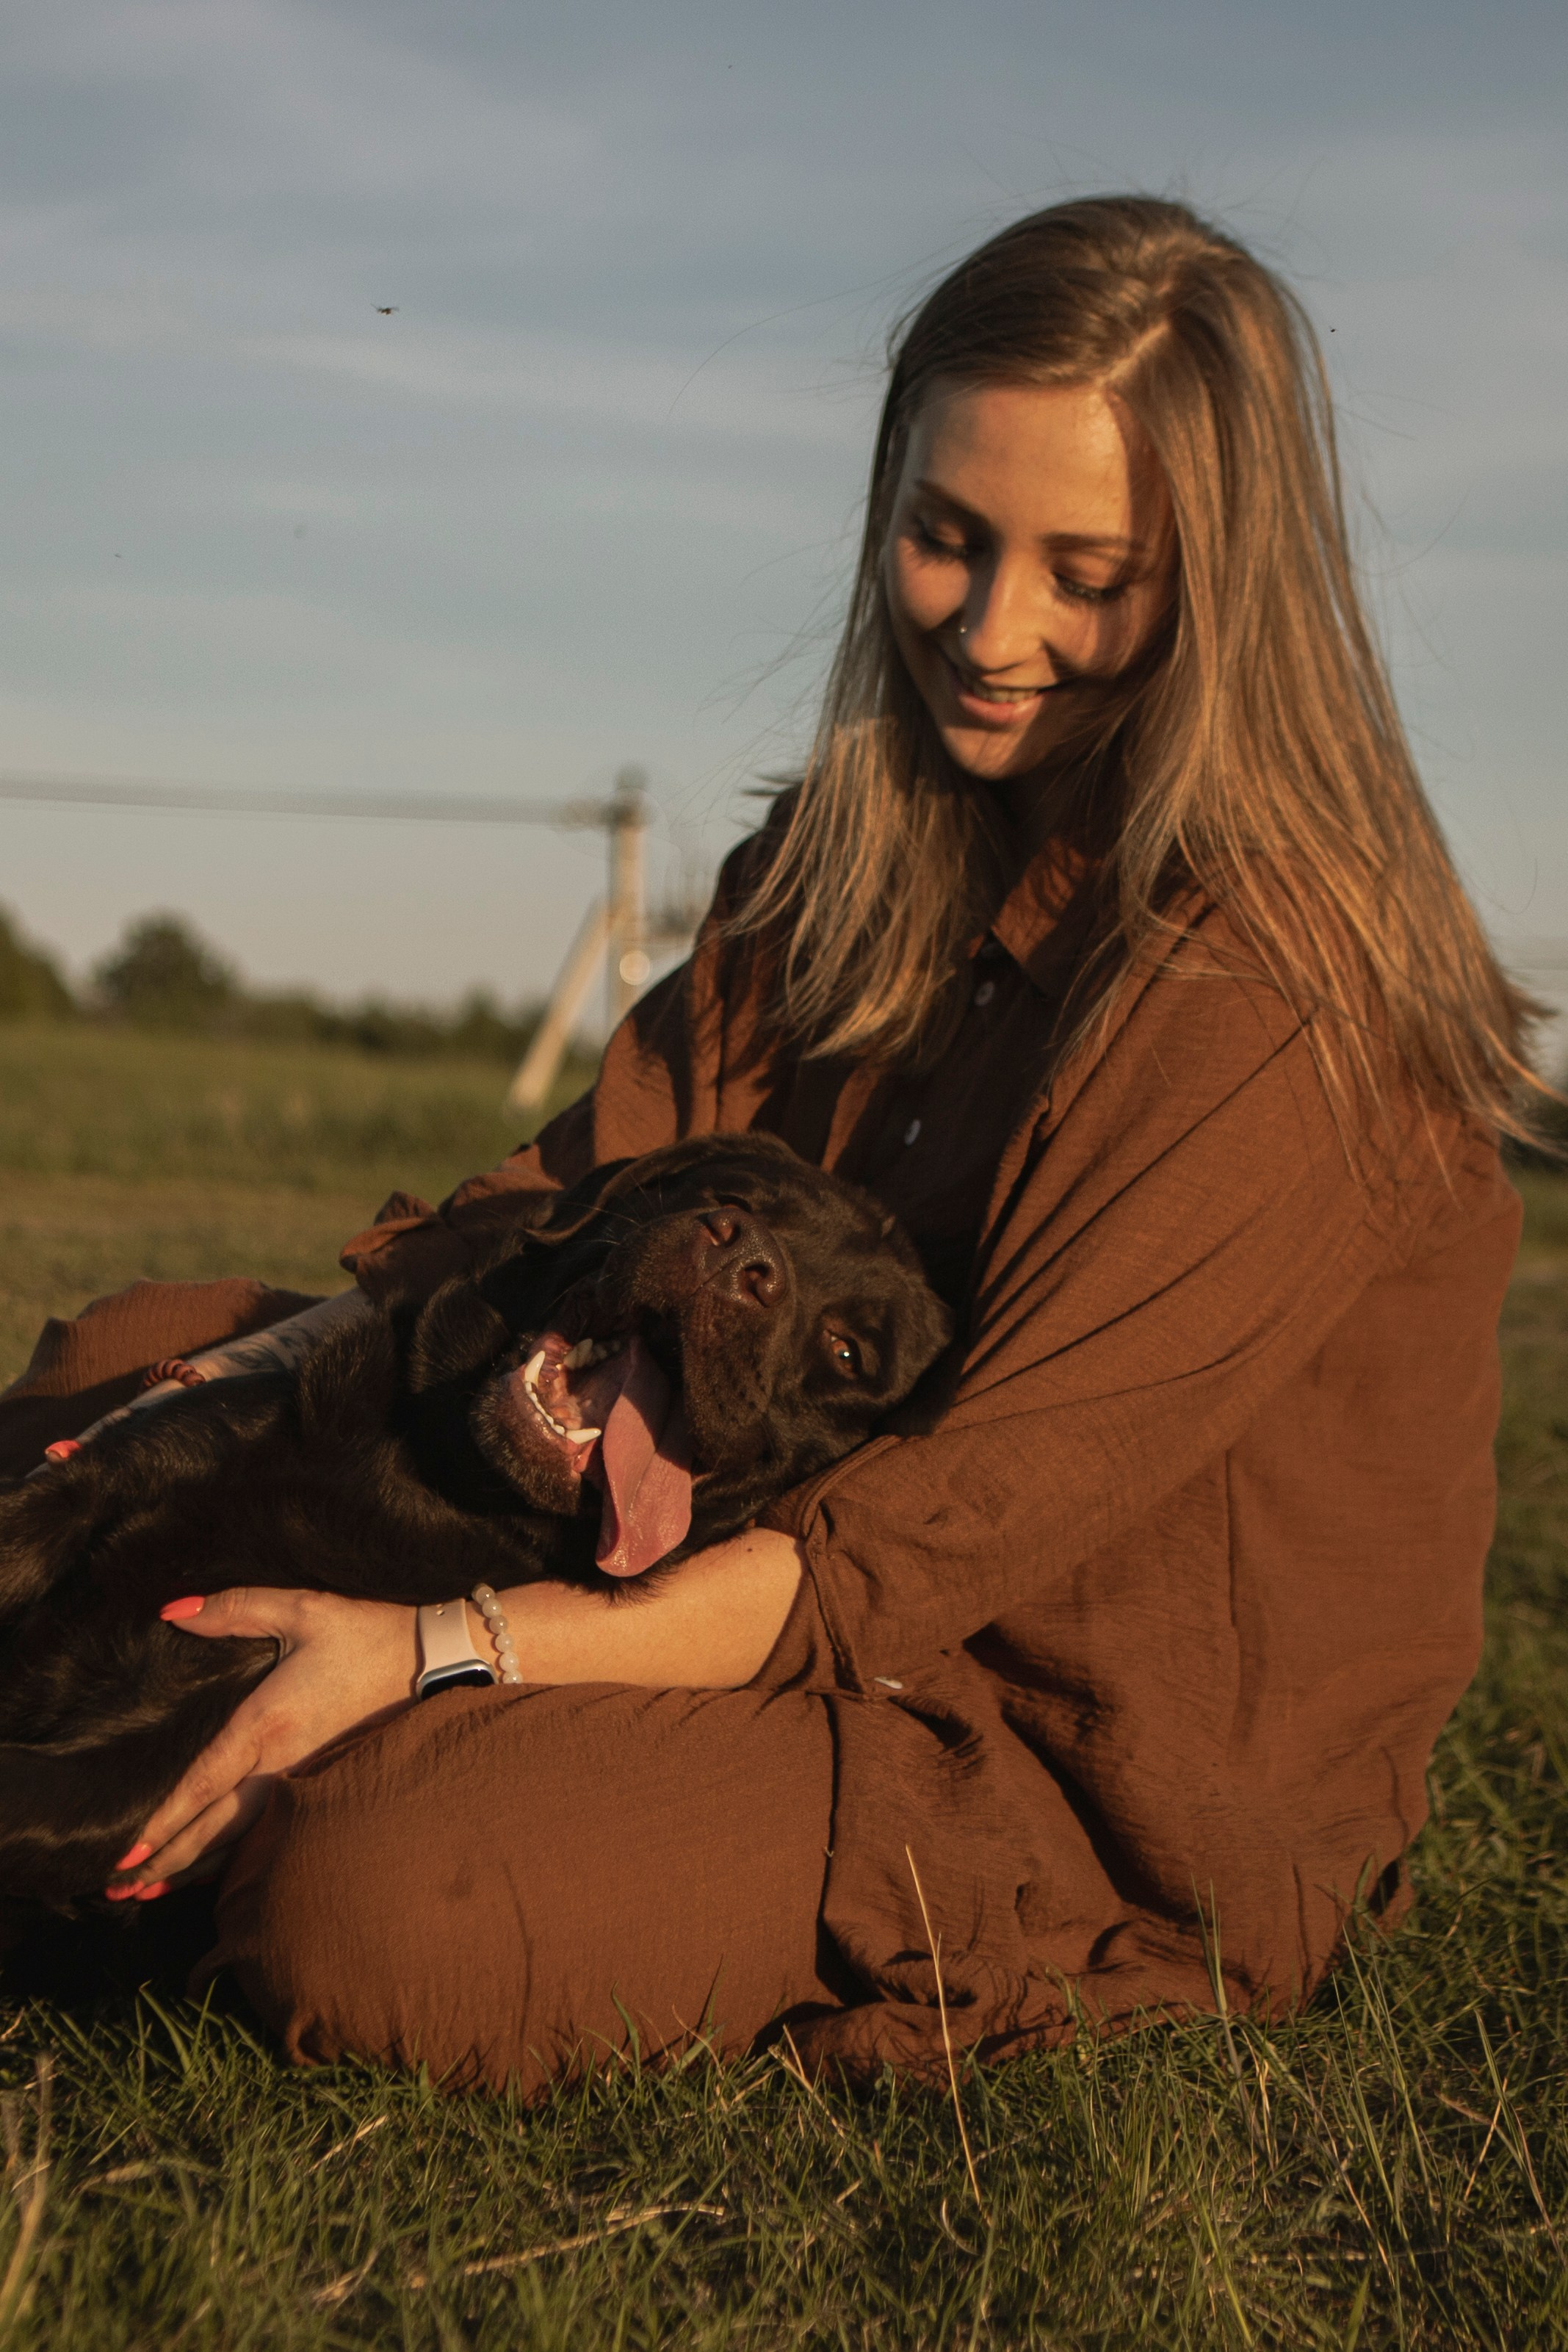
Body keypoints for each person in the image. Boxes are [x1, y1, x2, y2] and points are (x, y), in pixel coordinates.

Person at [1, 196, 1540, 2095]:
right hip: (739, 1536)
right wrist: (239, 1373)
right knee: (134, 1351)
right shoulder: (855, 848)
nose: (991, 630)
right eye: (947, 535)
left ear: (1229, 585)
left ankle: (170, 1817)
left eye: (1088, 573)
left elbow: (940, 1536)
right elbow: (562, 1199)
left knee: (385, 1898)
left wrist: (438, 1653)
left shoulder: (1275, 986)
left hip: (1043, 1739)